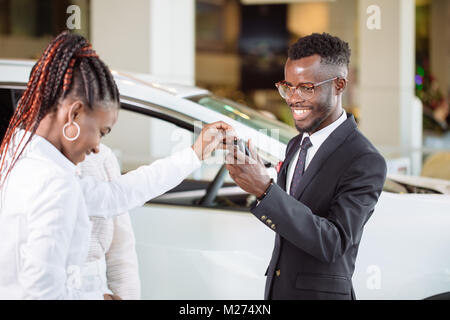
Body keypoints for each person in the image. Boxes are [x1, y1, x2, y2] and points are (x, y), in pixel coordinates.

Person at [0, 31, 234, 299]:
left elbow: (115, 196)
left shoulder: (17, 159)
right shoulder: (55, 182)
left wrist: (194, 154)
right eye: (102, 131)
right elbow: (41, 293)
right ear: (75, 113)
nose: (98, 147)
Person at [226, 33, 387, 300]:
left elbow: (333, 243)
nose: (292, 98)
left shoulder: (365, 159)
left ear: (339, 85)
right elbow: (292, 222)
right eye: (288, 86)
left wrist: (265, 190)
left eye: (306, 87)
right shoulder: (295, 144)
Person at [77, 143, 140, 300]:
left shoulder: (102, 157)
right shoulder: (22, 157)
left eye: (103, 132)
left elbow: (122, 248)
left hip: (98, 287)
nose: (96, 146)